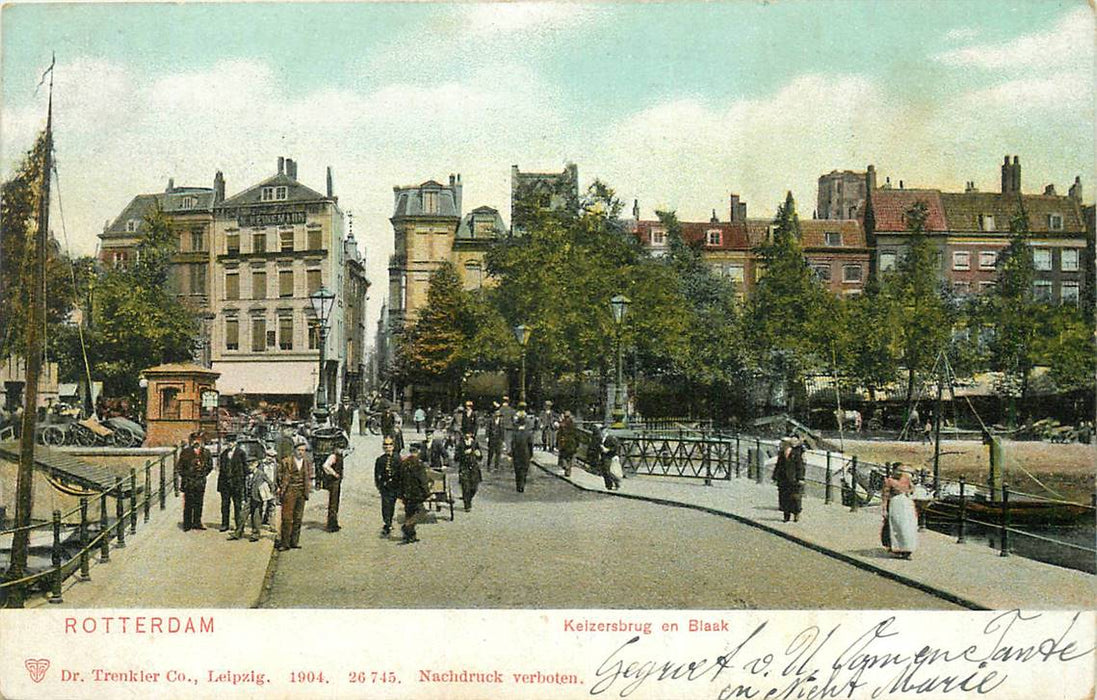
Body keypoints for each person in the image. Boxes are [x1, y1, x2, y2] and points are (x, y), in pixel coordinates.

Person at [276, 436, 313, 550]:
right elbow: (279, 475)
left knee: (298, 518)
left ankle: (294, 542)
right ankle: (284, 543)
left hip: (301, 492)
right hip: (289, 491)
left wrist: (308, 488)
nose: (301, 453)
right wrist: (280, 488)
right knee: (287, 518)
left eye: (303, 450)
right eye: (299, 450)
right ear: (294, 450)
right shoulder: (286, 461)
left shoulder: (307, 462)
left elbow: (309, 476)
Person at [231, 457, 272, 542]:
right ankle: (238, 532)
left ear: (256, 464)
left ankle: (255, 534)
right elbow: (244, 488)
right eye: (248, 465)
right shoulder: (247, 475)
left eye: (252, 464)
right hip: (249, 498)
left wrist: (270, 492)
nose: (250, 467)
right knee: (242, 515)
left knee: (256, 517)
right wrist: (243, 498)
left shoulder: (261, 474)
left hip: (258, 498)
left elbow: (270, 483)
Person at [177, 432, 213, 531]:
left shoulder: (206, 453)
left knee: (199, 503)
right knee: (188, 503)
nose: (197, 442)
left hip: (200, 481)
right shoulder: (185, 452)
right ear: (192, 441)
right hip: (189, 482)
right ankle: (187, 524)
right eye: (195, 440)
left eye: (199, 440)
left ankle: (197, 522)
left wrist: (203, 474)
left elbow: (210, 466)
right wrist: (186, 476)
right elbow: (179, 467)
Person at [881, 465, 918, 559]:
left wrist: (911, 484)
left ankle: (907, 549)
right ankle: (898, 548)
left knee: (908, 527)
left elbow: (911, 491)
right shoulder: (889, 481)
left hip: (906, 504)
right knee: (898, 526)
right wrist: (884, 508)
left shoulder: (906, 480)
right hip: (896, 505)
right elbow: (885, 495)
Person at [399, 450, 431, 544]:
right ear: (417, 453)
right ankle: (407, 526)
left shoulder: (404, 464)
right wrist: (427, 493)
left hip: (406, 494)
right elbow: (423, 480)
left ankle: (409, 536)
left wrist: (401, 494)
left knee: (409, 513)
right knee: (421, 513)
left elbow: (400, 479)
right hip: (416, 494)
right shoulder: (418, 464)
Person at [773, 435, 806, 522]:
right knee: (784, 498)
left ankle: (796, 513)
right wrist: (775, 476)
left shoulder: (796, 453)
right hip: (783, 479)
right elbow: (778, 465)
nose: (783, 445)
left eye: (785, 444)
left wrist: (800, 478)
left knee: (795, 498)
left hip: (793, 479)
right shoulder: (781, 454)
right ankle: (786, 516)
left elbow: (800, 467)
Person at [374, 436, 401, 537]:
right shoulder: (380, 460)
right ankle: (387, 523)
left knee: (392, 505)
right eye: (385, 445)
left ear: (393, 446)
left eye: (389, 445)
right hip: (385, 487)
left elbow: (400, 472)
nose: (387, 447)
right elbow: (377, 475)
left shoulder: (397, 458)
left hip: (394, 486)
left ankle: (389, 520)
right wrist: (379, 486)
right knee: (385, 506)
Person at [218, 439, 247, 533]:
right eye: (228, 442)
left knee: (237, 505)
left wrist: (243, 481)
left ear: (235, 443)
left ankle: (239, 526)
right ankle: (224, 524)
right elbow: (221, 470)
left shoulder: (241, 453)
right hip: (225, 484)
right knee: (225, 505)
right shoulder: (223, 454)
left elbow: (245, 468)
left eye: (231, 442)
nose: (229, 444)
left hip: (236, 484)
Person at [320, 445, 345, 533]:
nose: (341, 450)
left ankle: (334, 522)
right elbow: (325, 466)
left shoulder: (339, 456)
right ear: (335, 448)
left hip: (337, 482)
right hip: (333, 482)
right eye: (339, 448)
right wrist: (334, 474)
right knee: (333, 502)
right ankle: (331, 524)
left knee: (335, 502)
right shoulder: (333, 456)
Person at [457, 430, 483, 511]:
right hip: (464, 468)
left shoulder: (475, 443)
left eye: (469, 433)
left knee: (474, 487)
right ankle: (467, 505)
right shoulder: (460, 444)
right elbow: (456, 458)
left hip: (474, 468)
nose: (468, 435)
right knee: (466, 487)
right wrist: (464, 453)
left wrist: (479, 454)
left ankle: (468, 498)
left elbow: (480, 456)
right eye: (466, 433)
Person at [510, 411, 534, 493]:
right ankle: (522, 485)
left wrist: (511, 454)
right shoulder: (528, 433)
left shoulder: (515, 433)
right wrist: (531, 455)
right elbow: (530, 445)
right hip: (525, 454)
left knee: (517, 470)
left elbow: (512, 444)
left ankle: (518, 485)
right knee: (524, 470)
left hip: (517, 454)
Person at [556, 410, 578, 477]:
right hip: (571, 443)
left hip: (565, 442)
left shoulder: (564, 424)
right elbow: (577, 434)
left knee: (564, 456)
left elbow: (560, 433)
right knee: (569, 457)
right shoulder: (574, 424)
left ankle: (566, 467)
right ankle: (568, 471)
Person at [600, 425, 621, 491]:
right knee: (604, 471)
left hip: (609, 456)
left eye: (603, 431)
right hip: (603, 456)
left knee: (608, 471)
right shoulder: (602, 438)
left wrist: (608, 450)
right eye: (601, 431)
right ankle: (608, 486)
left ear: (606, 431)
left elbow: (616, 446)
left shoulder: (610, 438)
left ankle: (616, 481)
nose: (602, 433)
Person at [485, 408, 503, 472]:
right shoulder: (490, 420)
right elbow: (487, 429)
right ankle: (488, 465)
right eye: (496, 413)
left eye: (498, 413)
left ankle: (496, 467)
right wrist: (487, 437)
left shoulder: (501, 421)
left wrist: (503, 440)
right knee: (491, 453)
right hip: (492, 438)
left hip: (499, 439)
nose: (497, 415)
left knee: (498, 453)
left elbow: (503, 431)